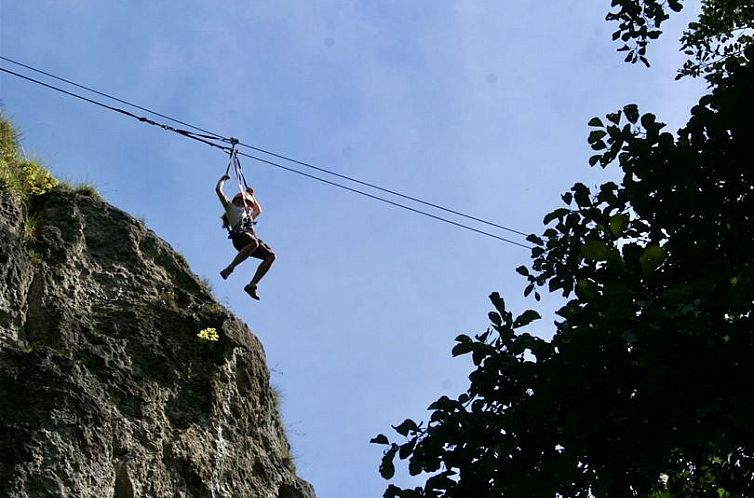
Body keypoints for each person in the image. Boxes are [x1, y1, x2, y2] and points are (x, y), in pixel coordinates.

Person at [215, 174, 276, 300]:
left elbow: (259, 210)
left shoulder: (248, 216)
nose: (246, 205)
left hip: (250, 240)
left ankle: (252, 285)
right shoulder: (230, 208)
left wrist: (252, 197)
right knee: (254, 243)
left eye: (248, 203)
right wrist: (222, 180)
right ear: (237, 201)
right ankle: (230, 268)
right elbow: (219, 191)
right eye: (245, 202)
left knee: (271, 256)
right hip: (239, 236)